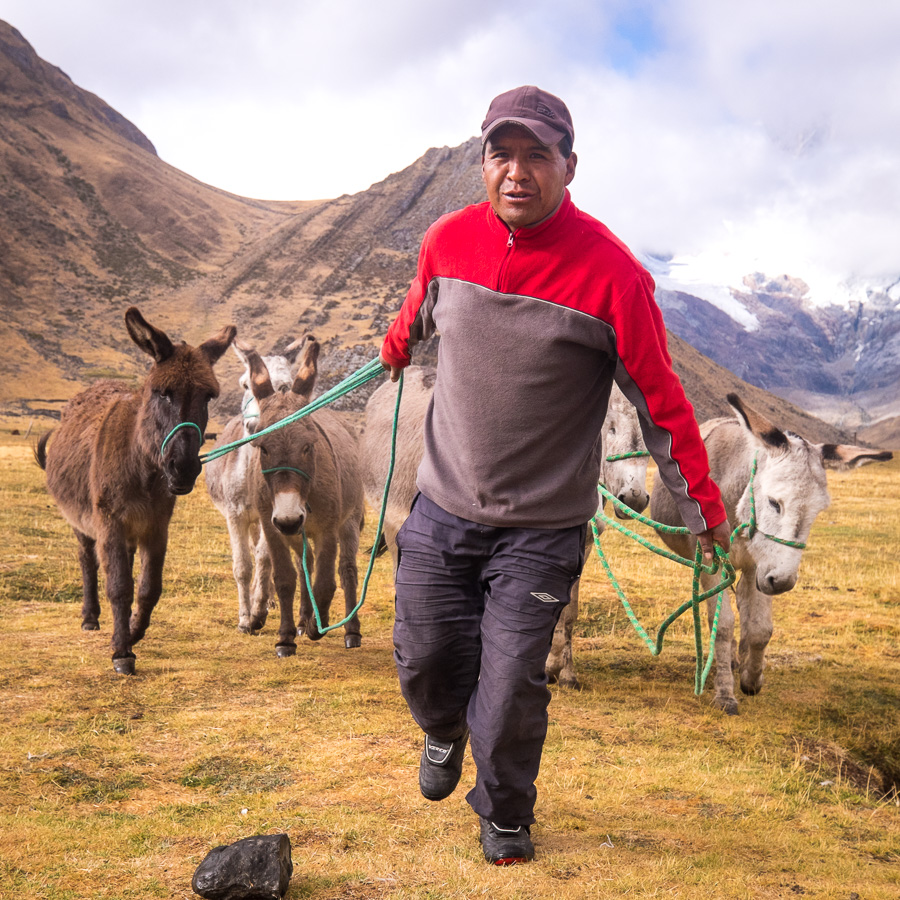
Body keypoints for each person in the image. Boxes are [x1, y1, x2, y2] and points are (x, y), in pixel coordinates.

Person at [378, 85, 731, 865]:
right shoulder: (446, 241)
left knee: (508, 689)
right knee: (427, 658)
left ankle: (504, 813)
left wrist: (703, 508)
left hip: (540, 529)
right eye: (502, 154)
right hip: (441, 506)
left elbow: (662, 402)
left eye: (537, 155)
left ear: (570, 166)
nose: (517, 172)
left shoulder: (613, 275)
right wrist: (398, 343)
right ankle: (440, 729)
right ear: (482, 163)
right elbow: (419, 310)